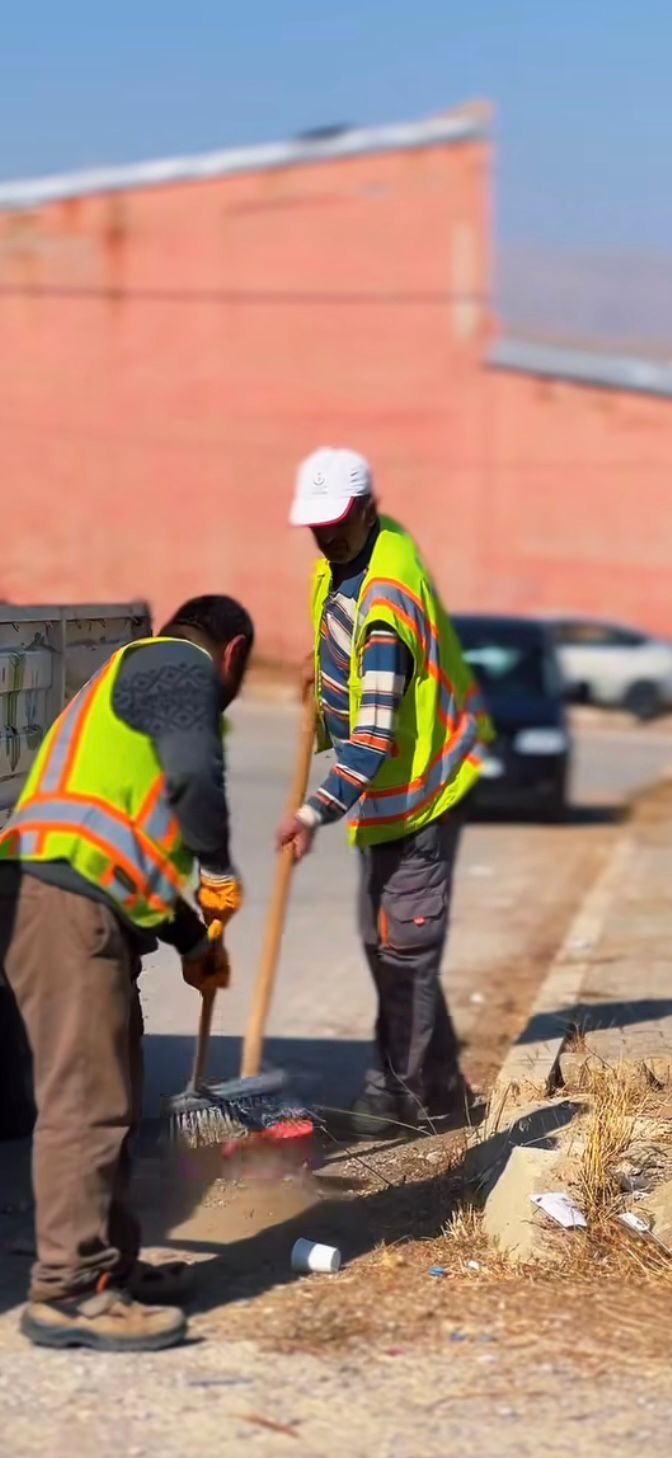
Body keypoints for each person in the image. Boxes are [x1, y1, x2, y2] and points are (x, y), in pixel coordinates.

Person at [0, 595, 253, 1352]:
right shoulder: (179, 664)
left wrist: (188, 938)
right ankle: (68, 1292)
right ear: (232, 653)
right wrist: (216, 867)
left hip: (67, 893)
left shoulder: (132, 675)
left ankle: (110, 1270)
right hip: (62, 901)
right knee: (85, 1102)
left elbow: (126, 850)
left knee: (108, 1090)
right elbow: (193, 776)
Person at [279, 447, 492, 1137]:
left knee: (403, 947)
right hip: (390, 790)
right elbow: (341, 650)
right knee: (391, 943)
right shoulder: (343, 562)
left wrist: (312, 810)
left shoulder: (386, 598)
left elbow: (372, 741)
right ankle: (437, 1087)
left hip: (420, 785)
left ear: (368, 508)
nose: (325, 534)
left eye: (337, 521)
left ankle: (408, 1102)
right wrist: (323, 672)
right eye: (315, 523)